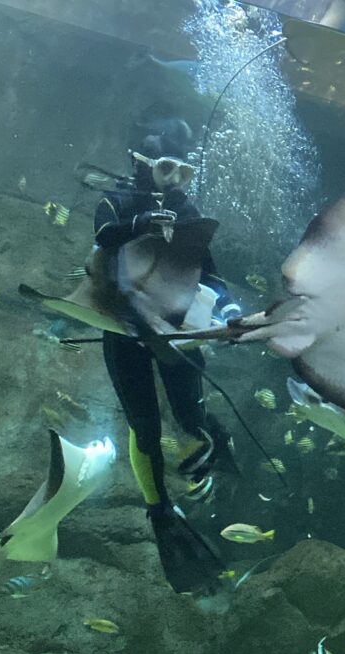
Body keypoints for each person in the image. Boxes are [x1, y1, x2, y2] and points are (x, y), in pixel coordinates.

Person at [92, 124, 239, 594]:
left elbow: (209, 271)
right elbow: (103, 232)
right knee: (145, 426)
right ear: (141, 163)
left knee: (189, 414)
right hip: (122, 328)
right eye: (165, 168)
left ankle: (210, 438)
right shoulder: (119, 200)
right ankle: (160, 512)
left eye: (184, 170)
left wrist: (229, 307)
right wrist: (143, 225)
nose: (175, 179)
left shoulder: (185, 208)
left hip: (174, 329)